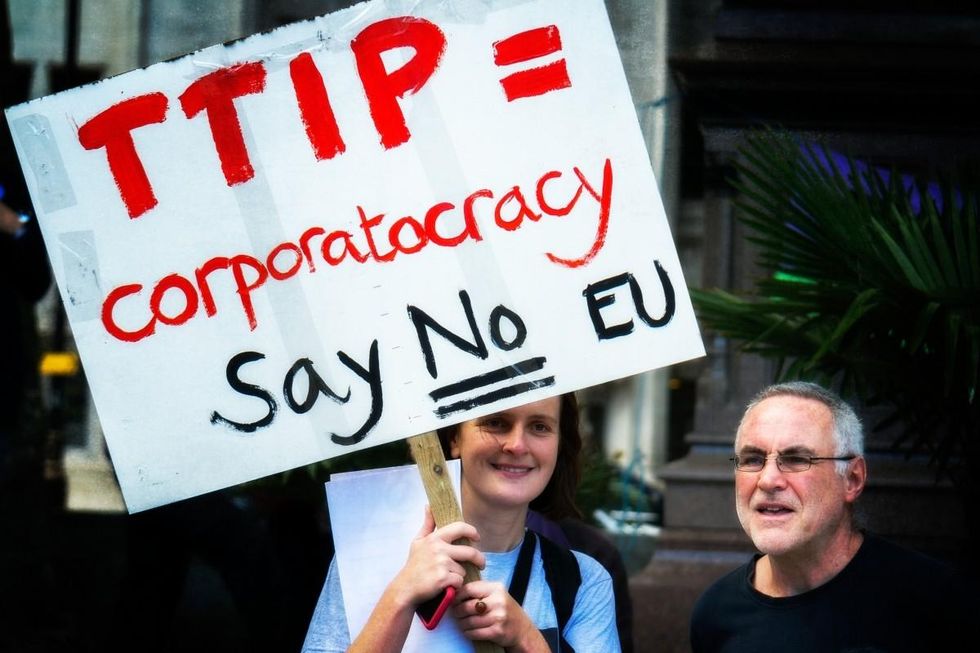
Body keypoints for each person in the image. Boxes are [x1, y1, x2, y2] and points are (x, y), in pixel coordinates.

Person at [302, 393, 621, 652]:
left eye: (539, 426)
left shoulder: (583, 583)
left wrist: (525, 638)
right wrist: (400, 597)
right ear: (455, 437)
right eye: (497, 423)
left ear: (559, 443)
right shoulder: (366, 559)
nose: (517, 445)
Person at [689, 381, 975, 652]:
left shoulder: (936, 600)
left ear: (852, 479)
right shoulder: (715, 613)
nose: (768, 480)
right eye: (752, 459)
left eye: (797, 459)